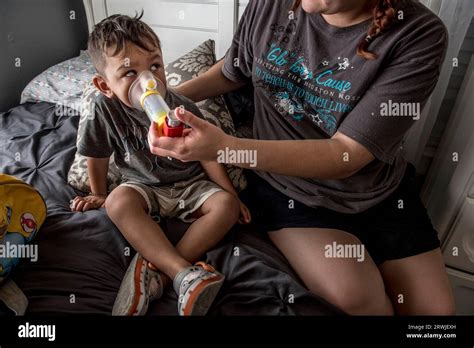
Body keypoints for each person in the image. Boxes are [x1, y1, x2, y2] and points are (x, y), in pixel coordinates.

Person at [148, 0, 455, 315]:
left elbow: (347, 154)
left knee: (436, 316)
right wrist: (169, 101)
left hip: (379, 191)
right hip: (290, 189)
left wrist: (224, 147)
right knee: (363, 303)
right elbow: (233, 71)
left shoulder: (419, 33)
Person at [70, 14, 251, 316]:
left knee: (226, 208)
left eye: (155, 66)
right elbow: (97, 155)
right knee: (118, 202)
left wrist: (228, 192)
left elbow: (208, 154)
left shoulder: (182, 108)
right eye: (129, 72)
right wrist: (100, 194)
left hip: (189, 184)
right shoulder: (103, 109)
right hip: (142, 186)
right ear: (104, 85)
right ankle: (183, 272)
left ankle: (166, 273)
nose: (149, 81)